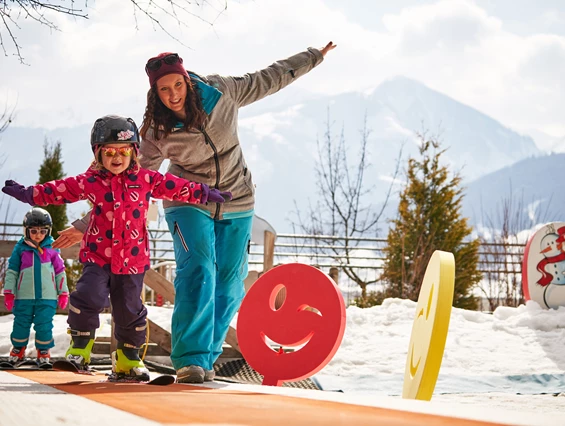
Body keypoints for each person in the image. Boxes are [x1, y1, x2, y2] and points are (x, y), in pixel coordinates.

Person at [53, 42, 337, 383]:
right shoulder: (156, 130)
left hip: (237, 198)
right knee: (199, 270)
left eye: (177, 84)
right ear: (155, 94)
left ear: (187, 80)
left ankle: (207, 356)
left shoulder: (223, 93)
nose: (173, 94)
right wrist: (86, 224)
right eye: (163, 89)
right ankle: (189, 359)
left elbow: (269, 77)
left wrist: (313, 56)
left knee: (230, 283)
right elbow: (121, 182)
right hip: (187, 200)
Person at [2, 115, 230, 381]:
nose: (116, 157)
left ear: (134, 152)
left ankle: (127, 361)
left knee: (130, 311)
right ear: (98, 154)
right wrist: (30, 194)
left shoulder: (146, 179)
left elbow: (175, 186)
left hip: (132, 263)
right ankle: (80, 350)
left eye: (123, 151)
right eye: (109, 152)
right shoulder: (92, 182)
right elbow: (60, 190)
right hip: (98, 258)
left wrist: (203, 193)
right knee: (87, 297)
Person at [2, 207, 68, 367]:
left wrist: (63, 292)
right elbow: (12, 272)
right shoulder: (20, 248)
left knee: (44, 325)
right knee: (21, 323)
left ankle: (43, 352)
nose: (38, 235)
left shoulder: (53, 248)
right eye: (33, 231)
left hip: (47, 297)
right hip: (24, 296)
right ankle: (18, 350)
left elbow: (60, 272)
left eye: (42, 231)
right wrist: (9, 293)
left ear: (48, 231)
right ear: (26, 231)